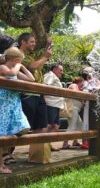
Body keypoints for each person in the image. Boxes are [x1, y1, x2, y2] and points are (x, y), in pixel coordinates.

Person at [18, 33, 52, 163]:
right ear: (23, 42)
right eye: (31, 41)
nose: (34, 44)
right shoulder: (18, 55)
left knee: (41, 126)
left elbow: (44, 55)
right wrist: (45, 57)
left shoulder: (32, 55)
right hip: (26, 95)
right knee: (21, 128)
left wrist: (49, 44)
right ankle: (5, 154)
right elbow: (32, 67)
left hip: (39, 94)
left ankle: (37, 158)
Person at [0, 47, 35, 174]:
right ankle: (1, 164)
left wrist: (23, 67)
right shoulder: (3, 67)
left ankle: (3, 158)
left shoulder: (16, 69)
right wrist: (18, 66)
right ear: (15, 60)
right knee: (2, 133)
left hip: (13, 104)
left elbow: (31, 79)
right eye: (20, 61)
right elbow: (10, 74)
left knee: (23, 128)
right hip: (4, 104)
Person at [43, 63, 64, 151]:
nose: (62, 72)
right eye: (61, 70)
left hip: (56, 105)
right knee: (48, 125)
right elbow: (45, 85)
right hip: (50, 104)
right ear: (54, 69)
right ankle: (43, 146)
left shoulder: (55, 78)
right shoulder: (50, 75)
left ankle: (47, 144)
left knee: (56, 125)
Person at [81, 67, 100, 149]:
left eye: (89, 71)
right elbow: (83, 91)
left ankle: (96, 141)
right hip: (87, 104)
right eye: (86, 72)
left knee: (95, 120)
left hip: (95, 103)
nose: (87, 73)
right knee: (86, 120)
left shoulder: (97, 81)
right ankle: (85, 141)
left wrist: (93, 89)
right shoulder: (85, 82)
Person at [62, 77, 85, 149]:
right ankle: (65, 144)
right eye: (82, 83)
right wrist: (84, 92)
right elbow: (76, 93)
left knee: (80, 125)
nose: (83, 84)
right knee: (72, 126)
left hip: (76, 110)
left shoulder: (78, 88)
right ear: (79, 81)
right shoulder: (74, 85)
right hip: (72, 108)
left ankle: (75, 141)